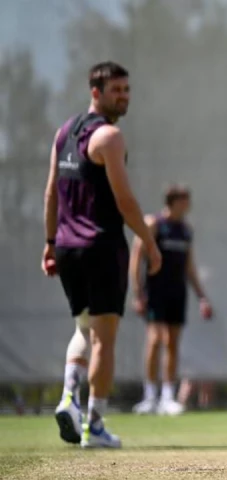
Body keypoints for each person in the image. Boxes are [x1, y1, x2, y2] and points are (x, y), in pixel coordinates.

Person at [42, 61, 161, 448]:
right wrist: (150, 242)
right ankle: (94, 425)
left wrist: (49, 242)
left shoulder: (65, 132)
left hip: (67, 247)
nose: (124, 97)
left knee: (83, 328)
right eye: (116, 91)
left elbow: (51, 194)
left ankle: (67, 399)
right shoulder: (109, 137)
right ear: (96, 92)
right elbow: (125, 202)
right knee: (104, 340)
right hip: (101, 246)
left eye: (127, 90)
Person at [130, 184, 213, 416]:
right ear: (173, 201)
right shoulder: (154, 224)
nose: (187, 205)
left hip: (178, 292)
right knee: (155, 339)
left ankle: (168, 397)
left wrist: (202, 297)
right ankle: (149, 396)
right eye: (184, 200)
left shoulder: (186, 230)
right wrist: (138, 293)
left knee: (173, 342)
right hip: (155, 292)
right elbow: (137, 258)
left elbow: (189, 267)